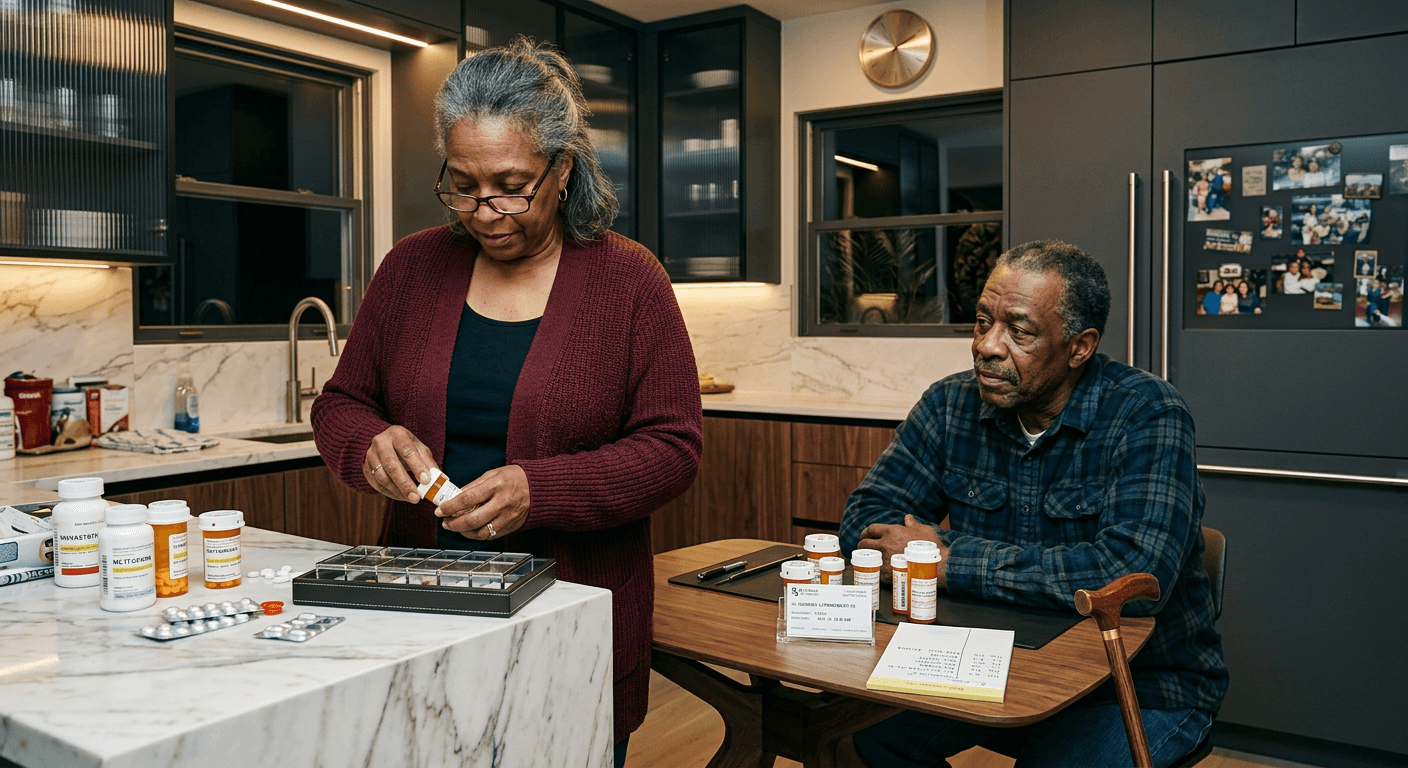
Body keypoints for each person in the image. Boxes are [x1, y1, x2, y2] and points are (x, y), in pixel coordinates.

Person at [309, 38, 703, 767]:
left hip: (570, 625)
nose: (485, 211)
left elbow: (673, 450)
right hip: (421, 616)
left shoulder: (629, 282)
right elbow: (340, 404)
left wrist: (538, 489)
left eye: (512, 184)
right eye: (461, 184)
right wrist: (367, 445)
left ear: (562, 170)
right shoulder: (411, 268)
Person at [836, 240, 1226, 768]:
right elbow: (866, 524)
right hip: (989, 663)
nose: (988, 347)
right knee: (851, 740)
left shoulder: (1147, 412)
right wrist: (925, 555)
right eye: (981, 322)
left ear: (1079, 347)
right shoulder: (949, 403)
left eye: (1018, 331)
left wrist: (951, 560)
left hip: (1136, 685)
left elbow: (1135, 575)